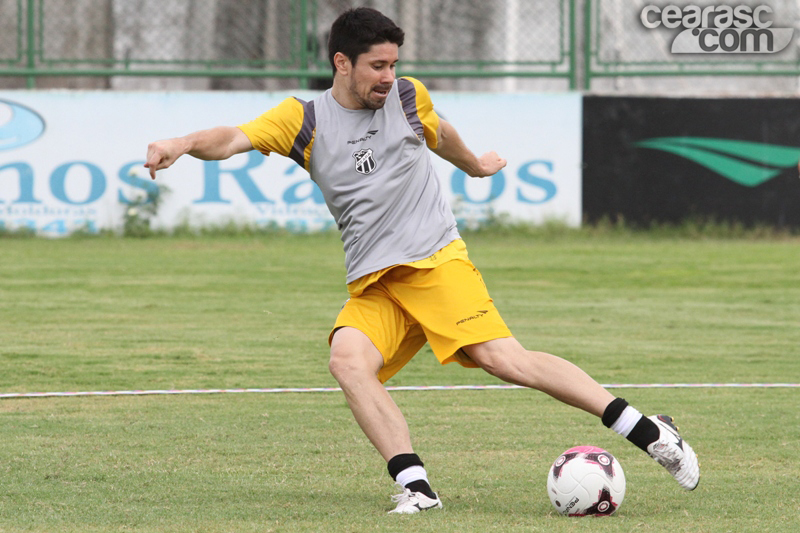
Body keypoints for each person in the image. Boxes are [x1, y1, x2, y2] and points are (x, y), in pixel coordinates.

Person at [145, 7, 699, 514]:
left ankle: (649, 432)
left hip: (435, 263)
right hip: (377, 285)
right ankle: (417, 487)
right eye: (377, 65)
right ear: (342, 63)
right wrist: (182, 141)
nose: (388, 76)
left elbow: (440, 134)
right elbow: (231, 138)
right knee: (347, 361)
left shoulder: (409, 97)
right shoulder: (303, 120)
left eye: (393, 64)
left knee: (505, 360)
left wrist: (475, 165)